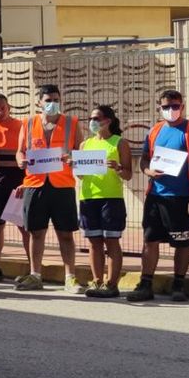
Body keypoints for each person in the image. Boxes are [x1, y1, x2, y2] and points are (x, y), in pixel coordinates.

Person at [128, 90, 189, 303]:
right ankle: (146, 284)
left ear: (182, 107)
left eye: (175, 106)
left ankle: (178, 284)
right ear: (160, 107)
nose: (171, 110)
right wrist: (148, 172)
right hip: (156, 196)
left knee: (182, 243)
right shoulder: (155, 130)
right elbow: (144, 160)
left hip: (183, 197)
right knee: (150, 240)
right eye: (166, 107)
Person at [14, 84, 81, 292]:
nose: (52, 104)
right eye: (48, 100)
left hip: (62, 185)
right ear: (39, 102)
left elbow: (80, 151)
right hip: (35, 184)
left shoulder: (71, 123)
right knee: (36, 232)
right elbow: (20, 151)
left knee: (66, 234)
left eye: (55, 99)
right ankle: (36, 275)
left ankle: (70, 277)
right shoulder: (28, 123)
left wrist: (72, 159)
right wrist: (20, 161)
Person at [76, 105, 133, 298]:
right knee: (94, 242)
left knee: (112, 242)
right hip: (88, 198)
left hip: (111, 198)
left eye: (96, 118)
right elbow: (81, 176)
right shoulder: (85, 144)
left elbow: (128, 174)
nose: (92, 122)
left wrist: (117, 168)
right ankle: (97, 281)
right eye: (91, 118)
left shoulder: (119, 143)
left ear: (108, 121)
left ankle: (112, 284)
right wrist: (74, 166)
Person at [0, 93, 27, 282]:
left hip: (18, 184)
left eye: (2, 107)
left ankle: (34, 267)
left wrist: (26, 182)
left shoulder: (21, 126)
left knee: (24, 227)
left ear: (9, 107)